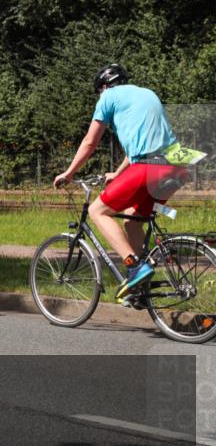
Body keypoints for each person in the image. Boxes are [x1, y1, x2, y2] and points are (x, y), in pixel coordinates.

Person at [53, 64, 189, 307]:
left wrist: (69, 173)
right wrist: (117, 173)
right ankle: (138, 289)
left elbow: (90, 142)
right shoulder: (147, 93)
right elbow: (141, 145)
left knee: (97, 211)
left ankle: (134, 267)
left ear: (104, 86)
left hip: (149, 167)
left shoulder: (108, 97)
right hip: (177, 166)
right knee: (132, 219)